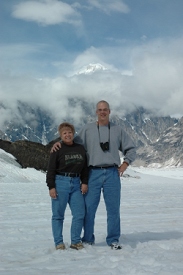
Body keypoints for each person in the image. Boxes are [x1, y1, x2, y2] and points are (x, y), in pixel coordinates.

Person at [51, 101, 136, 250]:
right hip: (92, 173)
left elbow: (131, 149)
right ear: (96, 112)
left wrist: (125, 164)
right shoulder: (87, 129)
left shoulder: (118, 130)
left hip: (112, 173)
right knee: (88, 209)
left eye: (105, 110)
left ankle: (113, 240)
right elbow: (70, 140)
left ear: (109, 111)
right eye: (99, 110)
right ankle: (88, 239)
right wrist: (58, 143)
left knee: (113, 209)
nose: (102, 112)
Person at [46, 122, 88, 250]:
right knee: (58, 215)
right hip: (61, 183)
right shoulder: (57, 149)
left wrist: (84, 182)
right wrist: (51, 187)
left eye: (69, 132)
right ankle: (59, 243)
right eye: (64, 133)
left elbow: (85, 168)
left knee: (80, 213)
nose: (67, 135)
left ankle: (75, 241)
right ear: (60, 135)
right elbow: (51, 169)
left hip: (76, 184)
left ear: (73, 133)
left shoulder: (80, 148)